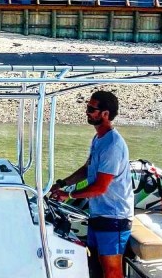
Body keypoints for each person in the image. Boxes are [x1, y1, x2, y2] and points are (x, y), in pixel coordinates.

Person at [50, 91, 133, 278]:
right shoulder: (98, 139)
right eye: (87, 108)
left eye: (91, 109)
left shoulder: (113, 145)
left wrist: (68, 196)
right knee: (95, 265)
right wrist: (63, 183)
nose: (87, 112)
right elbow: (87, 169)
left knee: (112, 272)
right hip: (99, 213)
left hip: (114, 217)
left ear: (105, 114)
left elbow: (100, 187)